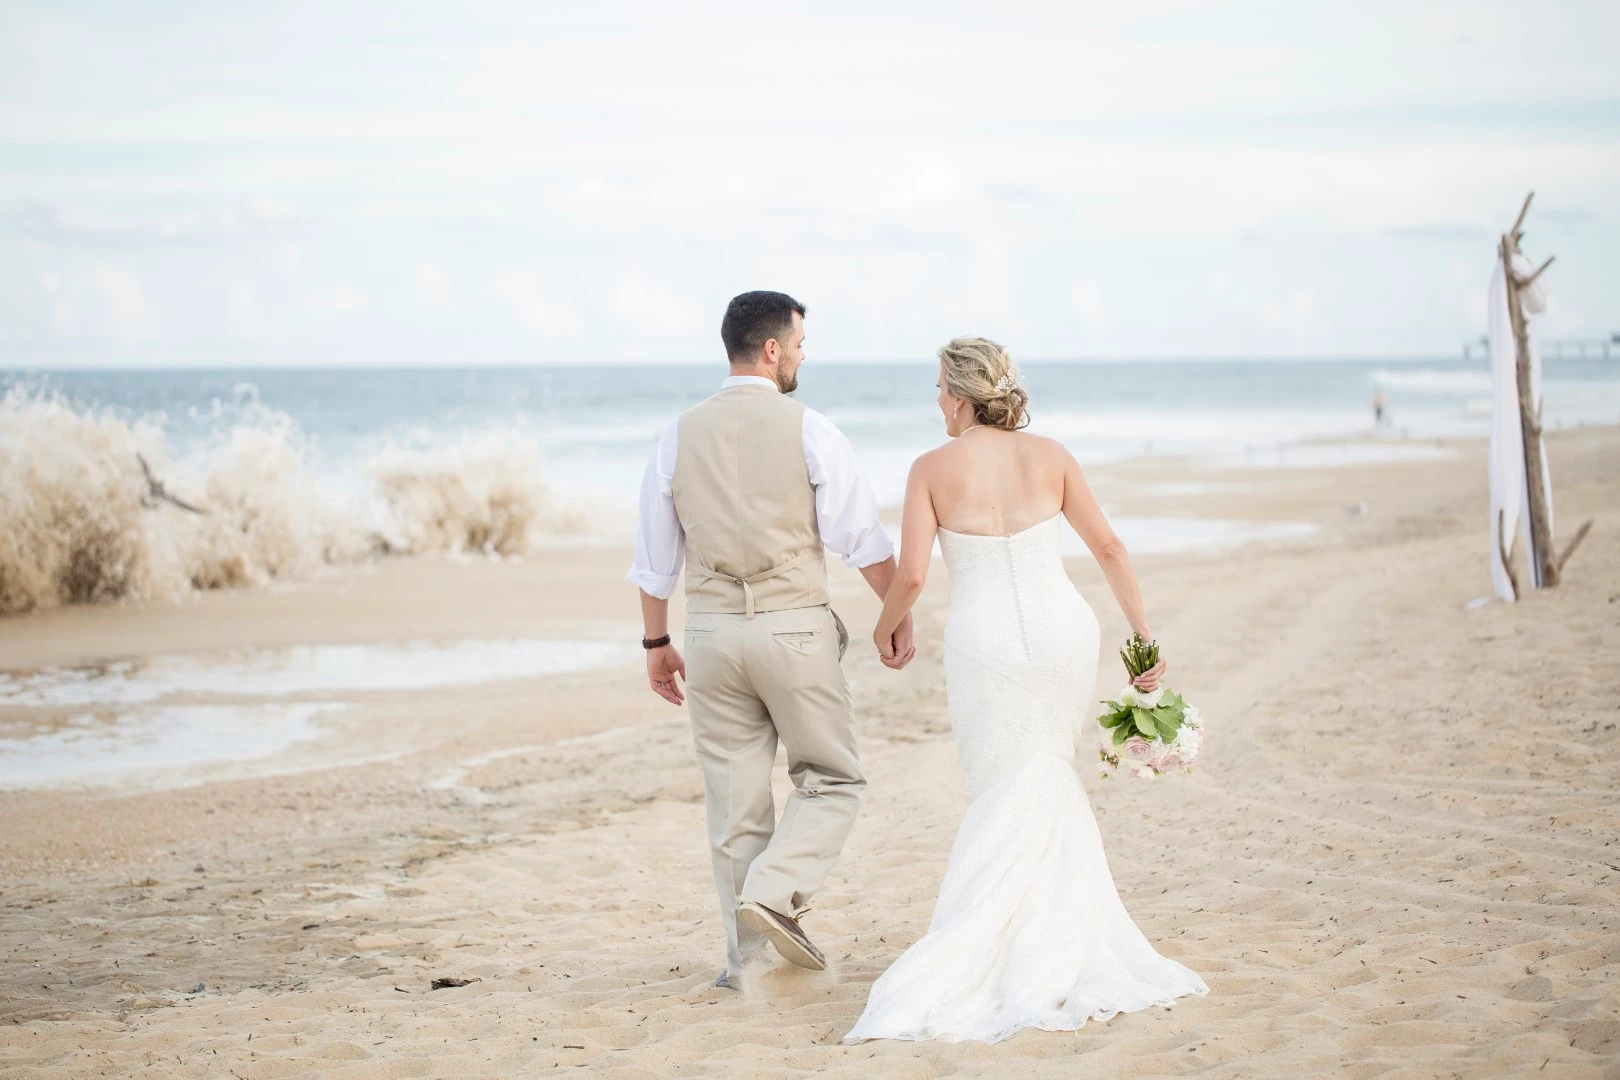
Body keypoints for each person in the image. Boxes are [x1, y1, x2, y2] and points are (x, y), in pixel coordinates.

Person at [843, 337, 1209, 1044]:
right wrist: (1143, 639)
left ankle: (1005, 941)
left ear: (955, 395)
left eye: (937, 390)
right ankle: (1059, 936)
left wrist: (884, 629)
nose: (937, 402)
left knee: (1004, 785)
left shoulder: (930, 468)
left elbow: (912, 578)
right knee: (1045, 774)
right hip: (1064, 632)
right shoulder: (1053, 457)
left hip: (986, 645)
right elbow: (1111, 548)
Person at [627, 290, 915, 991]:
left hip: (713, 634)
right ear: (772, 350)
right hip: (793, 629)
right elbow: (862, 541)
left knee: (733, 799)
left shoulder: (677, 434)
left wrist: (655, 643)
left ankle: (747, 967)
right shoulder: (810, 429)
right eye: (800, 345)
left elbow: (654, 558)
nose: (803, 357)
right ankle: (777, 890)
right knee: (833, 777)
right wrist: (896, 616)